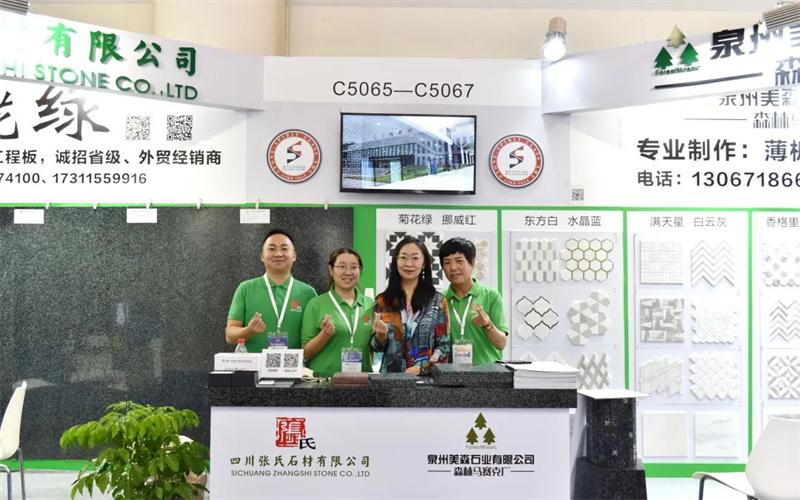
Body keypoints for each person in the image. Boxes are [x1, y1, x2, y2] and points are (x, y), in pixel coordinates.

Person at [225, 229, 318, 351]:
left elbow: (314, 338)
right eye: (272, 249)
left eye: (284, 249)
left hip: (294, 363)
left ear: (294, 256)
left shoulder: (309, 293)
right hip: (254, 363)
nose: (278, 254)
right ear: (262, 256)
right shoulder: (245, 288)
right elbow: (230, 336)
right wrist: (249, 331)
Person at [371, 236, 450, 374]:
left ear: (424, 263)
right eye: (403, 257)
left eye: (415, 258)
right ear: (396, 261)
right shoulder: (382, 301)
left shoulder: (437, 301)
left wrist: (423, 368)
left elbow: (443, 347)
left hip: (426, 380)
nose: (409, 263)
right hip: (389, 380)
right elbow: (376, 349)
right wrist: (380, 336)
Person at [301, 248, 373, 377]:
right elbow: (306, 353)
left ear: (360, 270)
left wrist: (381, 336)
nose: (348, 272)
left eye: (354, 267)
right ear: (331, 270)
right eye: (341, 266)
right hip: (325, 381)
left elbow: (375, 347)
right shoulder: (316, 304)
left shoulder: (370, 304)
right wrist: (324, 335)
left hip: (362, 381)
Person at [440, 237, 508, 365]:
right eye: (447, 262)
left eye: (459, 261)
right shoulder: (440, 300)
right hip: (452, 374)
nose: (453, 267)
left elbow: (501, 344)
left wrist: (487, 325)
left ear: (472, 263)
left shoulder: (491, 296)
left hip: (488, 372)